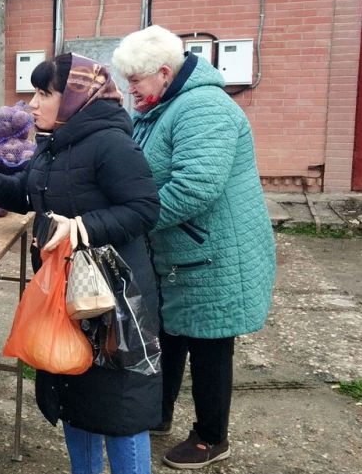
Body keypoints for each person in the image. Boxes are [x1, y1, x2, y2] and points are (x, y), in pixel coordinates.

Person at [0, 53, 162, 474]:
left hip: (113, 297)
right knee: (74, 386)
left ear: (76, 98)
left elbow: (144, 209)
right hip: (65, 290)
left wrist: (82, 226)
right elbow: (32, 195)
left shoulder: (111, 143)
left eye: (43, 93)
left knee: (119, 405)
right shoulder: (55, 140)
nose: (32, 104)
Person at [112, 25, 276, 469]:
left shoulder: (204, 108)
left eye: (136, 81)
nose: (131, 91)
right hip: (179, 248)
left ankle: (211, 437)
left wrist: (132, 220)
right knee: (170, 331)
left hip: (215, 250)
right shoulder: (163, 106)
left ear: (164, 72)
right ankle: (157, 413)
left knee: (210, 341)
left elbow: (195, 187)